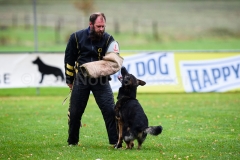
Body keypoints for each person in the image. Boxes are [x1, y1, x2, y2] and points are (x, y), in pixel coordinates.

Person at [64, 12, 119, 146]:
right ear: (91, 24)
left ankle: (115, 141)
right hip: (81, 79)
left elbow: (115, 60)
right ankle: (73, 142)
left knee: (110, 110)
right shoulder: (76, 37)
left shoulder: (109, 39)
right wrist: (70, 80)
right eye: (98, 26)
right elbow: (69, 60)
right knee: (75, 112)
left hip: (100, 79)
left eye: (103, 26)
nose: (101, 29)